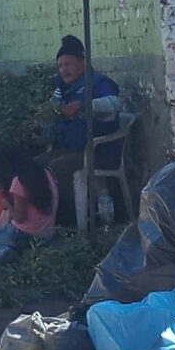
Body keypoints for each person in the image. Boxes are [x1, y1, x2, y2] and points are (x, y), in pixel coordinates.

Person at [39, 35, 122, 222]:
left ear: (83, 63)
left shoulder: (99, 83)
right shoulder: (63, 88)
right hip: (71, 149)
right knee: (34, 166)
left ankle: (75, 221)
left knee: (58, 167)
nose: (63, 70)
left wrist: (84, 105)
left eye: (67, 64)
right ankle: (46, 219)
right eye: (60, 66)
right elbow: (52, 112)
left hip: (99, 153)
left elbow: (114, 104)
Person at [0, 160, 60, 262]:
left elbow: (20, 218)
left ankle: (6, 253)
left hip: (24, 234)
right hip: (47, 233)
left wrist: (7, 205)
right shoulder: (46, 173)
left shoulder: (20, 181)